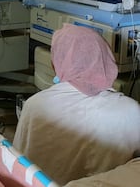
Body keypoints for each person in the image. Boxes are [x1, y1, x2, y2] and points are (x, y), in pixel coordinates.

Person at [13, 24, 140, 185]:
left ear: (55, 64)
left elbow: (17, 164)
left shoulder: (34, 106)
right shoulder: (131, 112)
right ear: (107, 60)